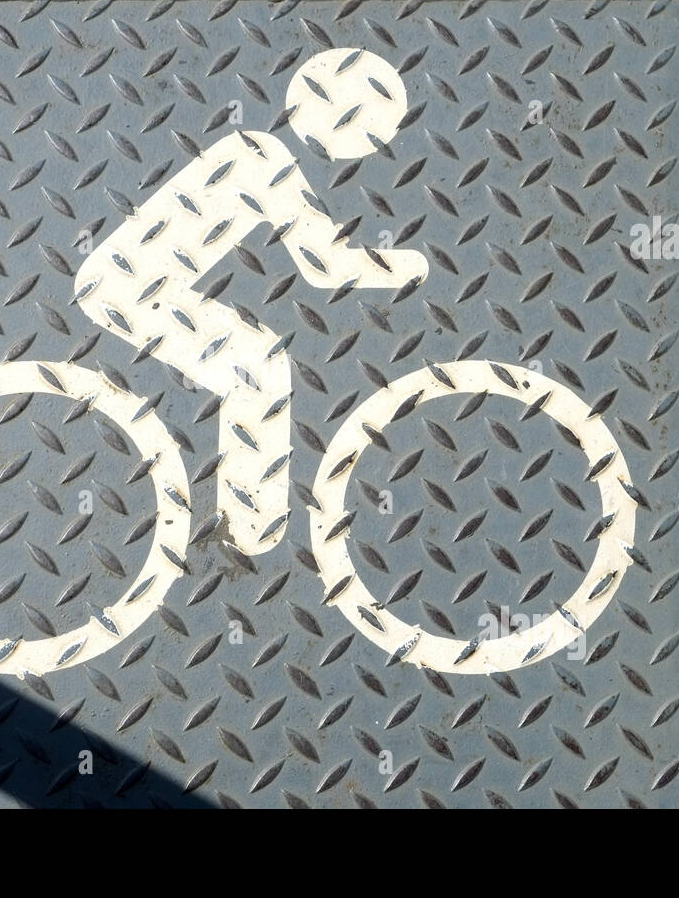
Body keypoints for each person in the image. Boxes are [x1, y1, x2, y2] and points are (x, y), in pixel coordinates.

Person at [74, 48, 429, 556]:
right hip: (126, 290)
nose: (376, 141)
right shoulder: (263, 158)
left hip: (132, 285)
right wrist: (409, 266)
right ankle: (246, 532)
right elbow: (324, 265)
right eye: (375, 126)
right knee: (257, 364)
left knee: (255, 356)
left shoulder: (257, 147)